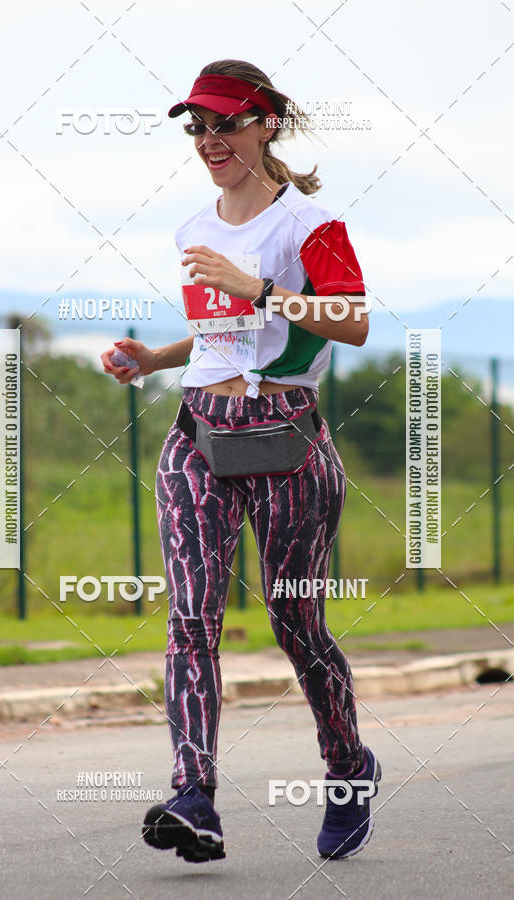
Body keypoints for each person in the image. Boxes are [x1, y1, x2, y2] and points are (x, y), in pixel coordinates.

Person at [101, 59, 381, 863]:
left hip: (288, 441)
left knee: (298, 624)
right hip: (198, 433)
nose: (210, 140)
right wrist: (154, 359)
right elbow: (225, 338)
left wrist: (258, 290)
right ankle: (195, 795)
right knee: (192, 618)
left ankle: (349, 766)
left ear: (267, 124)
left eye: (226, 123)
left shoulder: (309, 225)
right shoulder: (193, 228)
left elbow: (352, 322)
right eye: (198, 126)